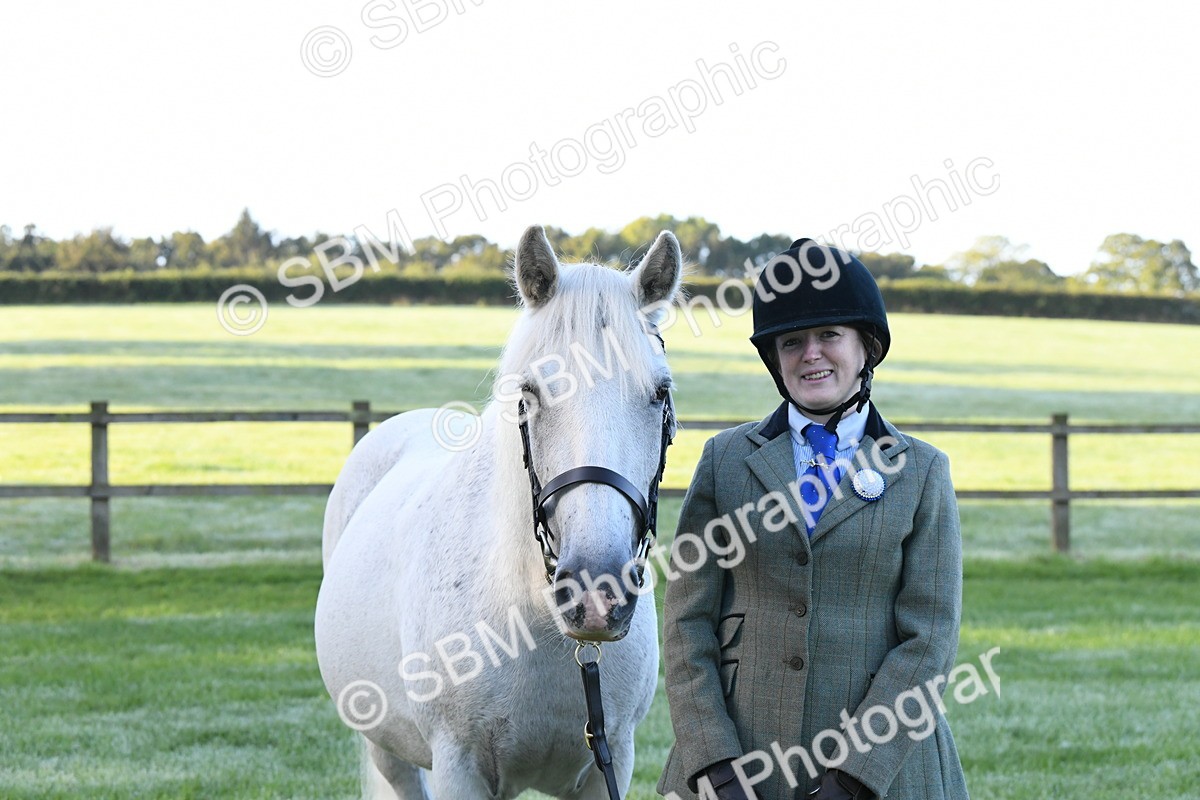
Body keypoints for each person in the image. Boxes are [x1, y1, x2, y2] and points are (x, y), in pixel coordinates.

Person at [657, 239, 969, 800]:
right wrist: (713, 763)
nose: (811, 354)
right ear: (775, 359)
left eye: (829, 335)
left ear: (865, 346)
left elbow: (930, 639)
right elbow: (687, 621)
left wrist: (856, 776)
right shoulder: (725, 460)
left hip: (884, 768)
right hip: (742, 757)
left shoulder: (922, 471)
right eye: (792, 342)